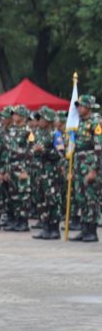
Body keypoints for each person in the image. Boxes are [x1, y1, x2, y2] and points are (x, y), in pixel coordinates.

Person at [70, 94, 100, 242]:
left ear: (88, 106)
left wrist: (94, 169)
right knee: (80, 197)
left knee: (91, 198)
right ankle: (84, 228)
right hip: (78, 164)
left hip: (89, 164)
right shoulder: (79, 122)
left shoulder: (96, 122)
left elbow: (99, 147)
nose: (79, 108)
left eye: (81, 105)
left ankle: (92, 230)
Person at [31, 107, 64, 240]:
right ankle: (45, 226)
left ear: (49, 120)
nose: (39, 121)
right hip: (39, 172)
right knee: (41, 200)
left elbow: (60, 154)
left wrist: (44, 150)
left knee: (53, 200)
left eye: (42, 118)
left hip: (51, 173)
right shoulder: (37, 134)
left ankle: (54, 229)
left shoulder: (56, 135)